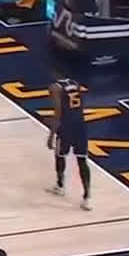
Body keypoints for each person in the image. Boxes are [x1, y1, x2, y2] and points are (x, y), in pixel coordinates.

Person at [47, 78, 92, 210]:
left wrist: (51, 134)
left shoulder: (55, 87)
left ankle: (60, 186)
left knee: (60, 155)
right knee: (82, 160)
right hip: (80, 126)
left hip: (66, 127)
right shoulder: (76, 83)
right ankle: (87, 197)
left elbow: (58, 112)